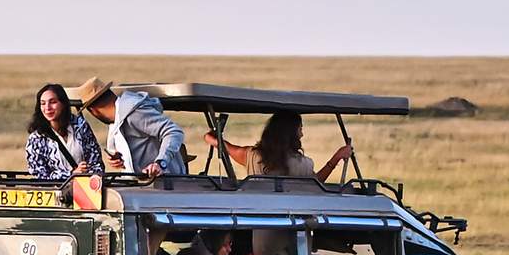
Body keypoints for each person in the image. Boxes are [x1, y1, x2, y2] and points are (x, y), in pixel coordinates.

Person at [73, 78, 187, 178]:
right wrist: (122, 159)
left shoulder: (134, 113)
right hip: (144, 186)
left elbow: (173, 131)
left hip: (165, 185)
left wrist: (160, 163)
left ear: (94, 111)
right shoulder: (117, 121)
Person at [204, 109, 354, 182]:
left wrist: (210, 137)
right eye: (300, 129)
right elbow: (316, 183)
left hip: (258, 224)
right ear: (292, 133)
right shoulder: (302, 164)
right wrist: (336, 158)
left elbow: (223, 146)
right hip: (290, 227)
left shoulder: (252, 155)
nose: (302, 134)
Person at [23, 82, 103, 179]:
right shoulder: (36, 138)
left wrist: (86, 172)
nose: (47, 108)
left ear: (63, 104)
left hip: (84, 189)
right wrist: (70, 175)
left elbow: (96, 162)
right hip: (53, 192)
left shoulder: (80, 126)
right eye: (43, 103)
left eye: (52, 102)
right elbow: (38, 173)